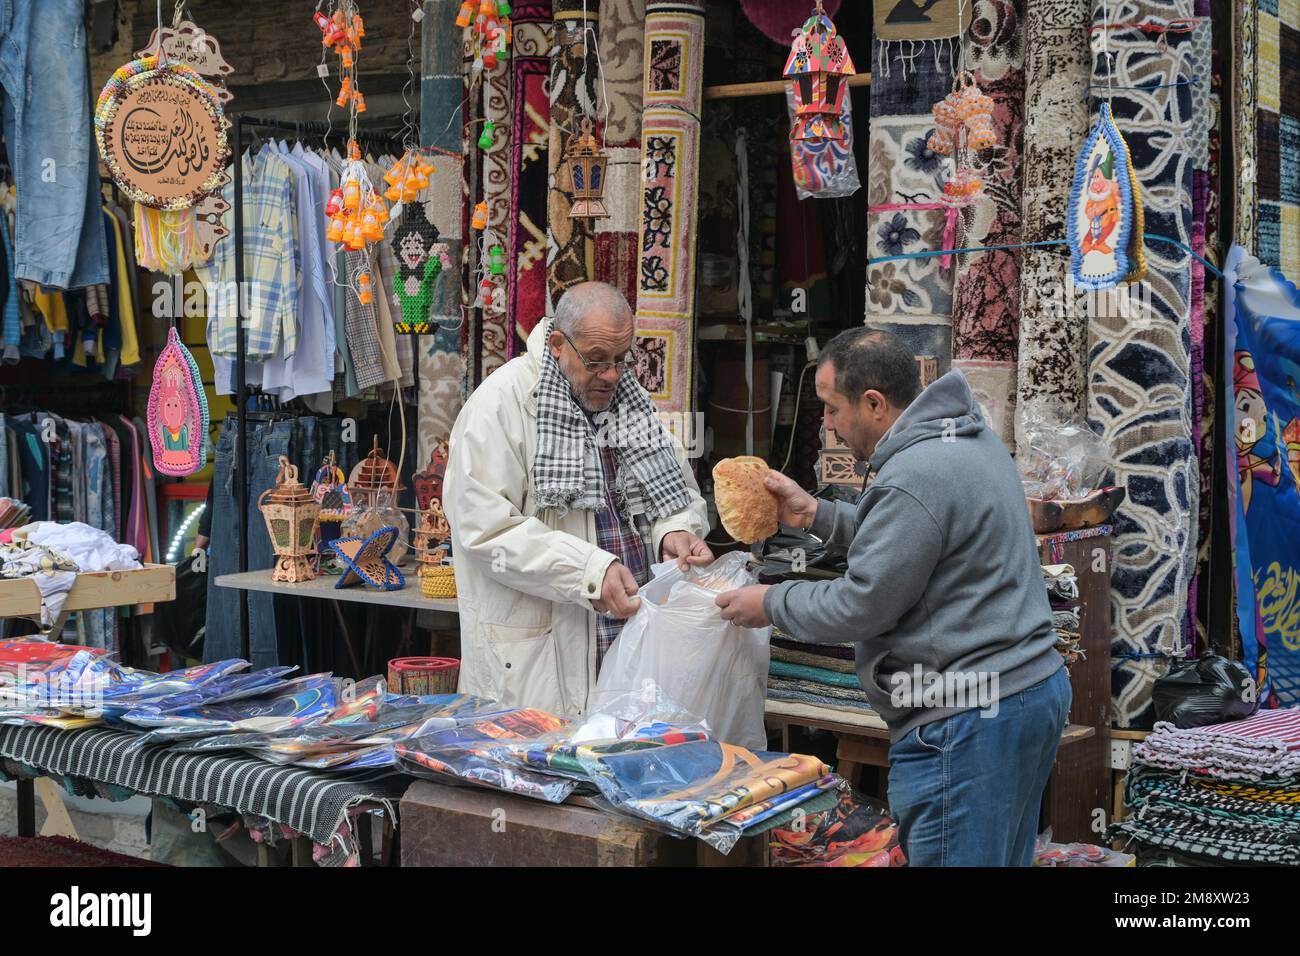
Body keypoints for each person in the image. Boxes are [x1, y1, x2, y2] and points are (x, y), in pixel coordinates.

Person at [716, 326, 1070, 867]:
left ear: (875, 403)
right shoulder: (963, 437)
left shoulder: (915, 472)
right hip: (1025, 693)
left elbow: (862, 604)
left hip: (968, 717)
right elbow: (915, 537)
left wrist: (768, 603)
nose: (827, 425)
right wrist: (815, 514)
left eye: (832, 409)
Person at [443, 282, 711, 716]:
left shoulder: (630, 400)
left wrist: (674, 530)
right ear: (557, 344)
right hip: (544, 660)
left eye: (622, 360)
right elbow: (484, 530)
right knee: (548, 772)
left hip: (629, 644)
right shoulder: (500, 405)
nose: (611, 375)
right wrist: (589, 571)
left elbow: (674, 491)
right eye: (597, 360)